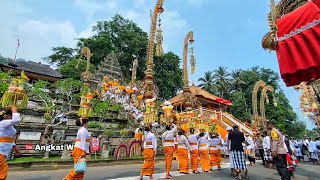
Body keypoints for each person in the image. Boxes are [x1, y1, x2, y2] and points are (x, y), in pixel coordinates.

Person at [0, 106, 20, 180]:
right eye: (12, 115)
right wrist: (14, 109)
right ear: (7, 116)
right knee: (2, 171)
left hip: (3, 151)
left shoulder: (8, 126)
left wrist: (15, 147)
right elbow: (16, 120)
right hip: (0, 150)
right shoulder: (3, 123)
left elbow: (9, 138)